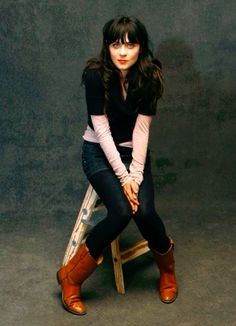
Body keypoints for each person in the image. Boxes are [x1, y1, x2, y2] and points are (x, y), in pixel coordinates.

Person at [57, 16, 178, 315]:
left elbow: (141, 130)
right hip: (98, 152)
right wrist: (124, 178)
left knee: (146, 211)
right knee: (122, 211)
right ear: (107, 47)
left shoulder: (151, 74)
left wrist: (135, 173)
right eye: (115, 44)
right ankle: (70, 279)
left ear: (141, 47)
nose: (122, 52)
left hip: (133, 154)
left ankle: (167, 270)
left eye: (130, 44)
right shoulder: (96, 75)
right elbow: (102, 131)